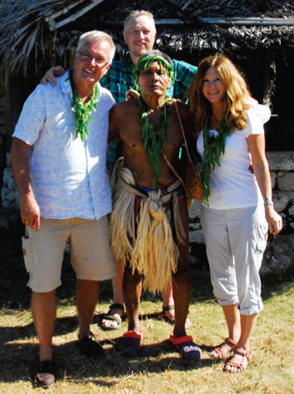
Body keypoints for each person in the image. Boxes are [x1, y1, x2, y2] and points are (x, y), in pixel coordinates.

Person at [41, 10, 196, 329]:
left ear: (155, 36)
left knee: (168, 240)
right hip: (119, 169)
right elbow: (81, 81)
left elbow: (212, 79)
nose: (141, 37)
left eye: (147, 32)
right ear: (124, 37)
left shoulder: (172, 68)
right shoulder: (110, 69)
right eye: (134, 32)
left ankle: (168, 302)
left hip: (165, 177)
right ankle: (118, 304)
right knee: (123, 241)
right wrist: (56, 73)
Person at [10, 31, 118, 388]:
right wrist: (27, 198)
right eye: (86, 55)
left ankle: (84, 334)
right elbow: (19, 147)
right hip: (48, 209)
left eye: (100, 59)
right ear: (74, 56)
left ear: (108, 66)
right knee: (44, 283)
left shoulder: (106, 101)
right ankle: (44, 353)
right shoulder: (45, 94)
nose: (91, 63)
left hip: (93, 207)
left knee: (90, 276)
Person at [187, 54, 283, 373]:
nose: (212, 86)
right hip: (212, 209)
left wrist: (269, 207)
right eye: (206, 81)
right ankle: (232, 336)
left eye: (218, 80)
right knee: (221, 277)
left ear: (229, 82)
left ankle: (244, 347)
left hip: (246, 208)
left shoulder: (246, 116)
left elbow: (261, 163)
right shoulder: (203, 118)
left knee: (246, 277)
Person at [108, 50, 201, 359]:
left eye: (161, 73)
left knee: (181, 265)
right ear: (137, 79)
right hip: (135, 199)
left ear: (170, 80)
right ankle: (133, 328)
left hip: (173, 200)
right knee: (134, 266)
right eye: (148, 73)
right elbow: (92, 140)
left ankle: (180, 333)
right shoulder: (122, 113)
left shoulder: (181, 114)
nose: (154, 78)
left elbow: (215, 123)